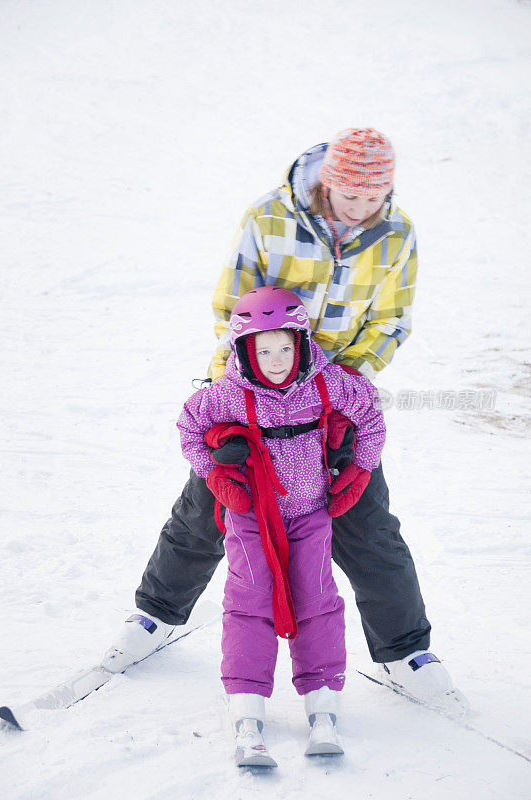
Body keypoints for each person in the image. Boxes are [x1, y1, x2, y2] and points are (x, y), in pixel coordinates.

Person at [101, 128, 468, 714]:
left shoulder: (397, 234)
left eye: (372, 199)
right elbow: (232, 303)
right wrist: (229, 385)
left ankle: (405, 653)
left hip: (332, 399)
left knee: (367, 524)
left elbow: (393, 316)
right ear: (329, 182)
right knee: (208, 509)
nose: (359, 210)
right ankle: (154, 617)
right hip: (253, 387)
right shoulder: (271, 217)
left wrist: (348, 386)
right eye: (349, 197)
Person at [176, 286, 385, 761]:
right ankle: (248, 709)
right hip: (251, 515)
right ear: (245, 351)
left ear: (301, 342)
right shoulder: (227, 394)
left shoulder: (327, 383)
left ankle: (323, 704)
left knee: (317, 598)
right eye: (263, 350)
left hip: (311, 513)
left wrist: (360, 467)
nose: (276, 360)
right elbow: (189, 429)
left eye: (285, 348)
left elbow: (370, 414)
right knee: (250, 601)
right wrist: (214, 475)